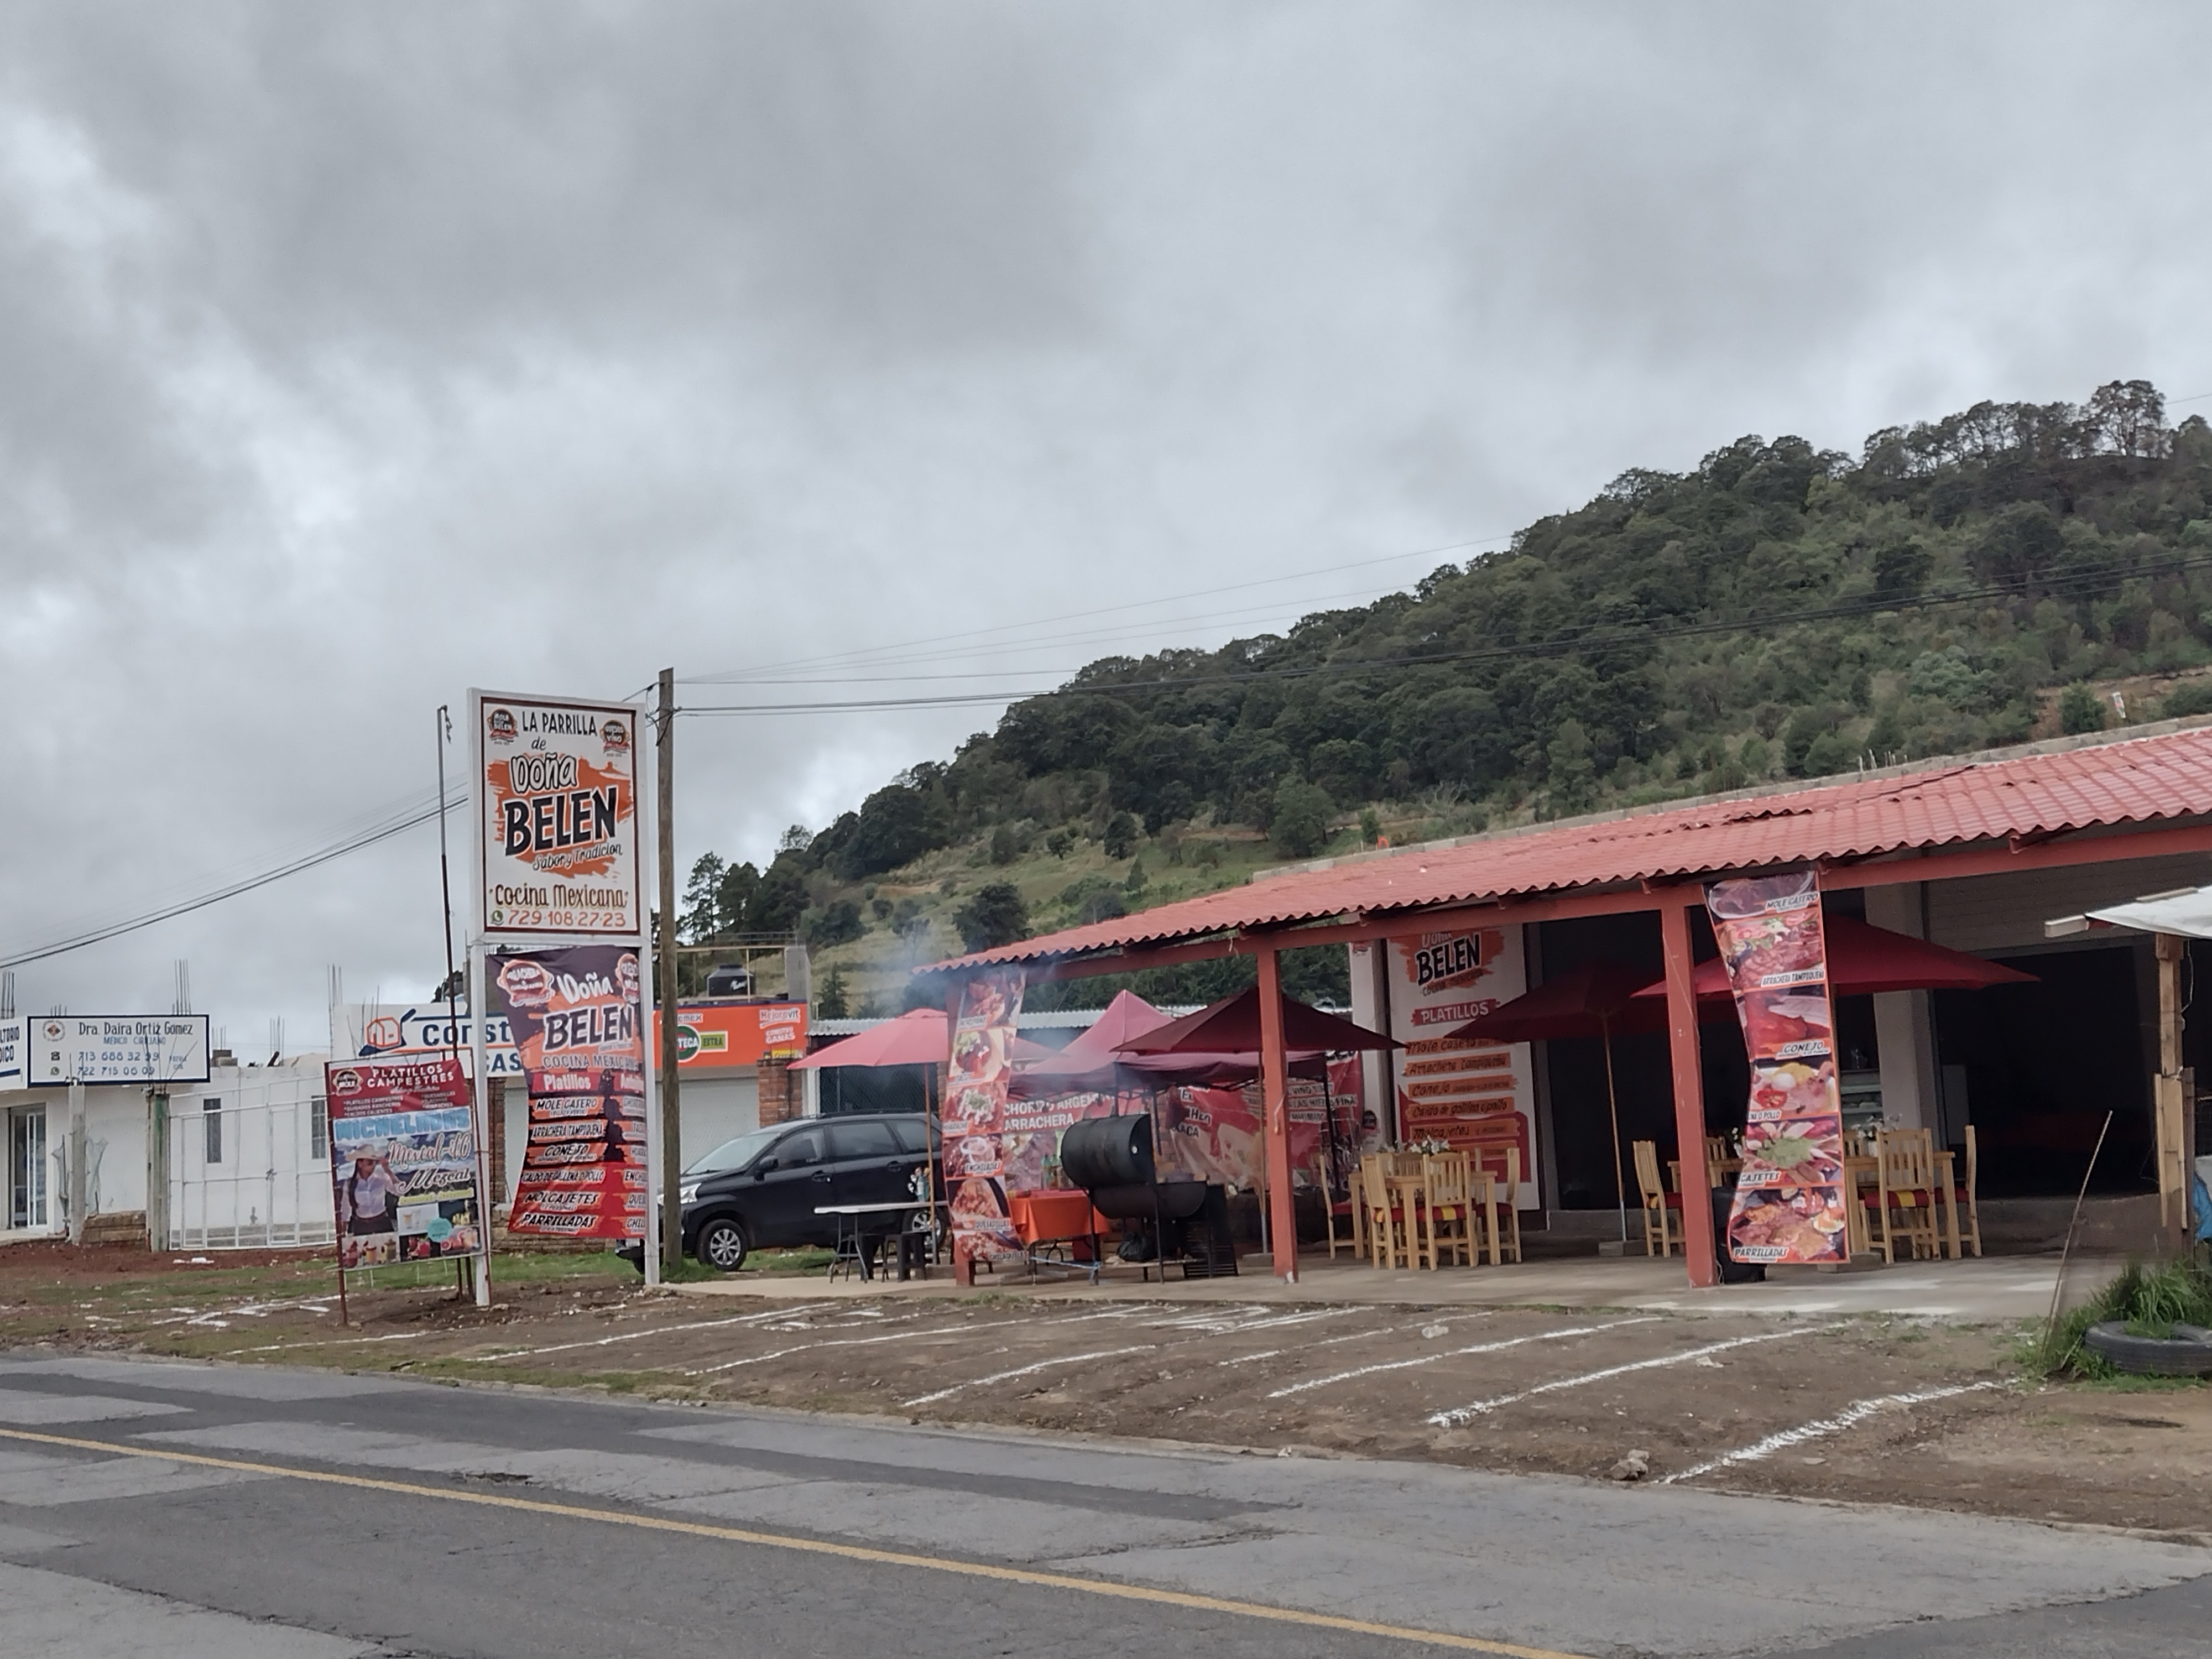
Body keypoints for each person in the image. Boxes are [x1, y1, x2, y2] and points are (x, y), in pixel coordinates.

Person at [338, 1143, 404, 1235]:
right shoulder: (350, 1184)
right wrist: (343, 1231)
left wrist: (387, 1170)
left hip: (382, 1222)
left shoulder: (382, 1178)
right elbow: (346, 1208)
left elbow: (399, 1191)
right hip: (361, 1225)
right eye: (370, 1162)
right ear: (360, 1164)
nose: (373, 1165)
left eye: (375, 1162)